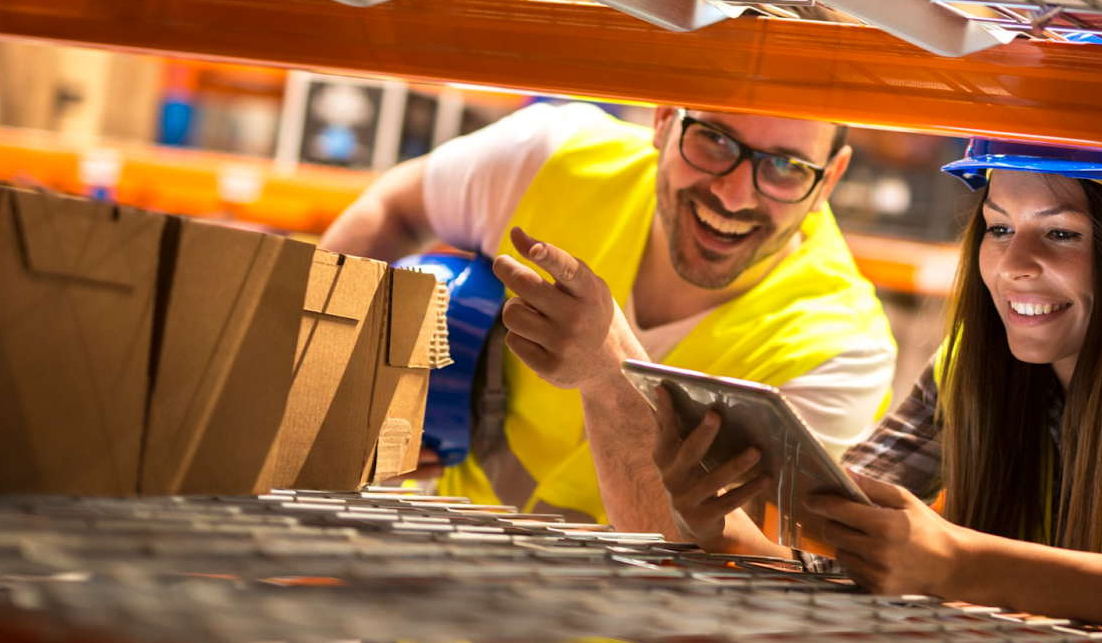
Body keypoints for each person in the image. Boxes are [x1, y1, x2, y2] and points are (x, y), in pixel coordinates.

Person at [650, 138, 1102, 643]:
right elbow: (856, 526)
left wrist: (962, 566)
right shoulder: (971, 369)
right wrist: (731, 525)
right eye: (998, 226)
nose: (1014, 264)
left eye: (1063, 233)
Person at [321, 101, 896, 533]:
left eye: (786, 167)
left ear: (832, 178)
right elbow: (390, 208)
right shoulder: (552, 157)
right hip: (416, 628)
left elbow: (728, 565)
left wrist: (608, 375)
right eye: (715, 141)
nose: (737, 194)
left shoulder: (841, 349)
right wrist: (333, 394)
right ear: (666, 119)